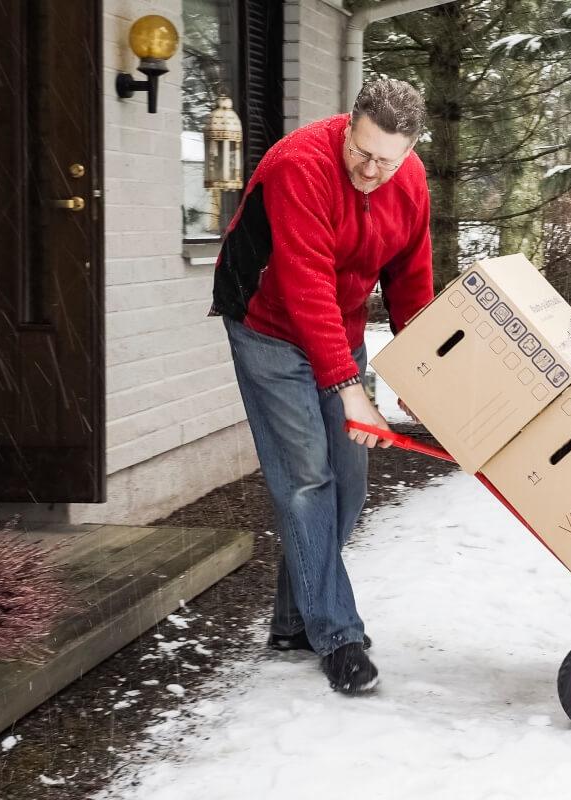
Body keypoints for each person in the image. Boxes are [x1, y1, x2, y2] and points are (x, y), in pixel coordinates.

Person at [210, 79, 434, 695]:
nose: (369, 170)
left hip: (342, 325)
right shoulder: (300, 166)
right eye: (361, 152)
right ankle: (337, 636)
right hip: (269, 325)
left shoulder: (407, 181)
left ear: (409, 151)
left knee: (349, 483)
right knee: (308, 478)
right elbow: (305, 287)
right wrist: (351, 388)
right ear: (348, 126)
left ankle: (291, 619)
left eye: (386, 161)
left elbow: (411, 277)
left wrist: (418, 373)